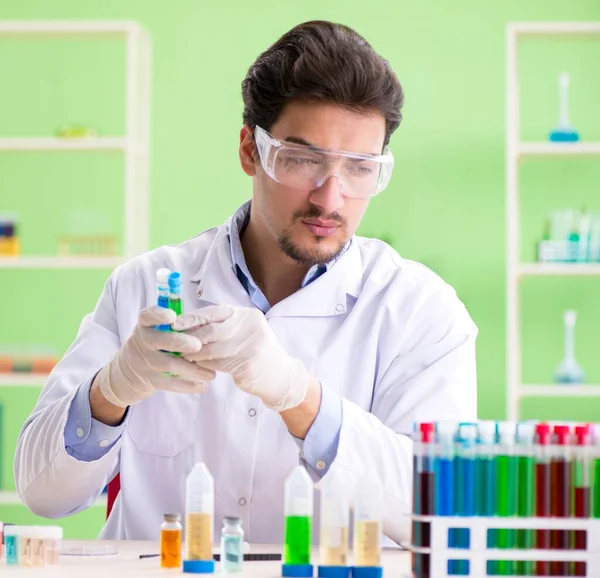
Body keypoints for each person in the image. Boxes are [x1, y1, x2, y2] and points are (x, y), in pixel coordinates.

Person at [14, 20, 477, 545]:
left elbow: (439, 514)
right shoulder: (143, 286)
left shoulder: (421, 312)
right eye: (303, 160)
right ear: (250, 151)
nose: (330, 198)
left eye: (360, 168)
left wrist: (301, 398)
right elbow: (41, 493)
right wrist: (109, 391)